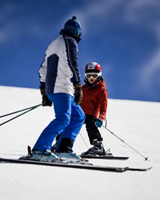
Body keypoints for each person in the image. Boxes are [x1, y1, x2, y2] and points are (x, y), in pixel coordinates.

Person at [30, 16, 85, 162]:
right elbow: (73, 64)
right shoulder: (70, 41)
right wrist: (78, 85)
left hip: (53, 89)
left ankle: (63, 149)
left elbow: (43, 69)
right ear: (78, 33)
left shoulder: (53, 43)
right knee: (63, 119)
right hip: (62, 88)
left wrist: (44, 92)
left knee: (78, 116)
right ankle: (40, 150)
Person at [80, 62, 109, 156]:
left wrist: (101, 117)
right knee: (68, 124)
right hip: (79, 112)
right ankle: (61, 144)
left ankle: (98, 146)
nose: (91, 78)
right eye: (88, 75)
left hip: (90, 113)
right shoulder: (83, 88)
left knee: (90, 125)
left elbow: (103, 104)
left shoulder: (101, 89)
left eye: (94, 75)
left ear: (99, 75)